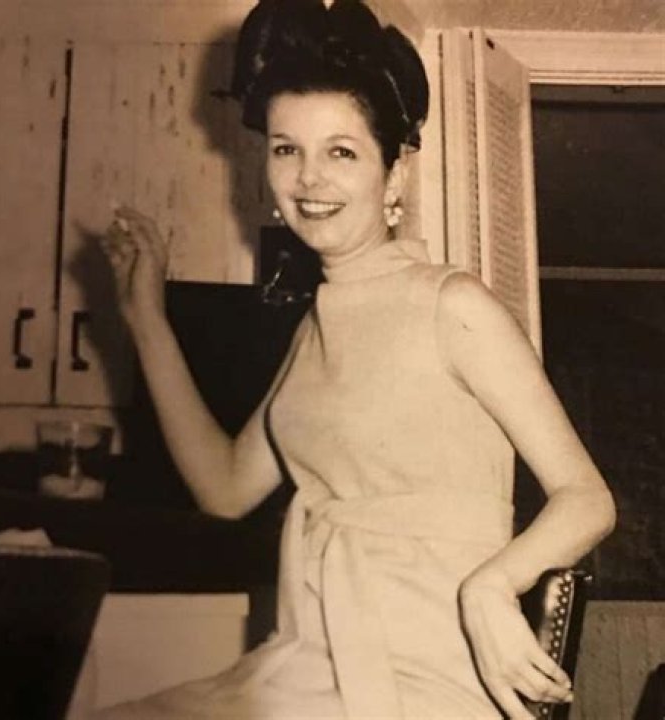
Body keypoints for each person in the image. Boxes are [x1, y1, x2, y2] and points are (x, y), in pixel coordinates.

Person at [96, 1, 616, 718]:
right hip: (307, 668)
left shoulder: (452, 304)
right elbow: (225, 488)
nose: (308, 179)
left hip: (424, 683)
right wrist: (147, 321)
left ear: (394, 175)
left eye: (341, 152)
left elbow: (587, 498)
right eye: (287, 149)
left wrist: (493, 585)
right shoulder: (316, 327)